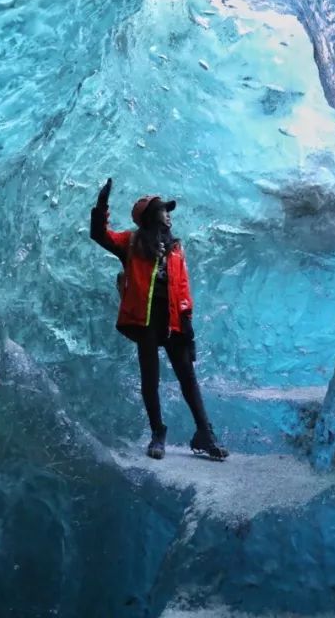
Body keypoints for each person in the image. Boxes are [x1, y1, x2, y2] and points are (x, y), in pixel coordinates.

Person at [90, 177, 229, 461]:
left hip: (174, 321)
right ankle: (158, 433)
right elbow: (99, 234)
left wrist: (188, 331)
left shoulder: (176, 249)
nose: (169, 215)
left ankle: (205, 434)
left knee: (187, 378)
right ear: (151, 217)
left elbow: (183, 290)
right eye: (164, 210)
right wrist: (102, 204)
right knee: (150, 379)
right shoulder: (131, 243)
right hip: (146, 322)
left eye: (168, 210)